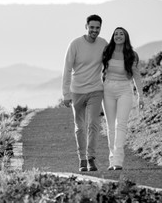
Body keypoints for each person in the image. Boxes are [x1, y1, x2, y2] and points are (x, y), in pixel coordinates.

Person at [61, 14, 107, 172]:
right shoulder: (75, 44)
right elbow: (67, 69)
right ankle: (82, 159)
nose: (94, 30)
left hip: (96, 90)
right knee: (80, 127)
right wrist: (66, 93)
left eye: (97, 28)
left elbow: (111, 63)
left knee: (93, 124)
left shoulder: (103, 44)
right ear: (86, 27)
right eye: (92, 27)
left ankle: (91, 158)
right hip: (77, 91)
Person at [101, 27, 144, 170]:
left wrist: (140, 96)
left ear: (126, 37)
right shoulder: (107, 52)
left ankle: (118, 161)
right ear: (113, 37)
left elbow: (136, 76)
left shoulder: (132, 55)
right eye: (116, 34)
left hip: (125, 89)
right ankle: (112, 159)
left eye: (121, 34)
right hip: (107, 89)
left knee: (121, 125)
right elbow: (98, 71)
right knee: (110, 126)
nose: (118, 36)